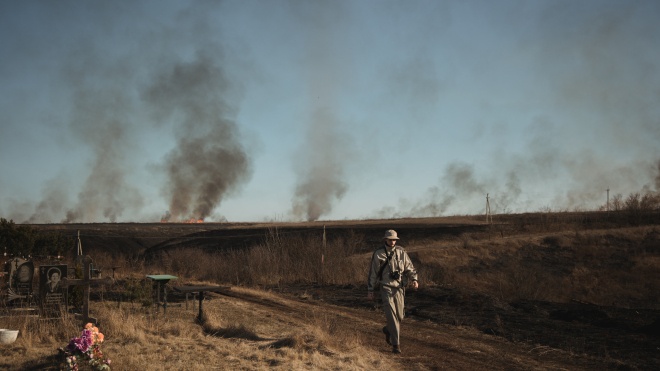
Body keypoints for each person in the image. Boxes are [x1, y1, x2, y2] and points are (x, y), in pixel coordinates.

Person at [367, 229, 419, 354]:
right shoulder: (378, 253)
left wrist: (414, 279)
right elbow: (373, 273)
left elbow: (409, 268)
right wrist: (370, 289)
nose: (393, 241)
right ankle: (396, 345)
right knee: (392, 316)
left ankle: (388, 330)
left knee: (400, 316)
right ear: (385, 239)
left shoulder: (401, 252)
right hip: (386, 288)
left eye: (394, 239)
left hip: (400, 288)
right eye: (390, 239)